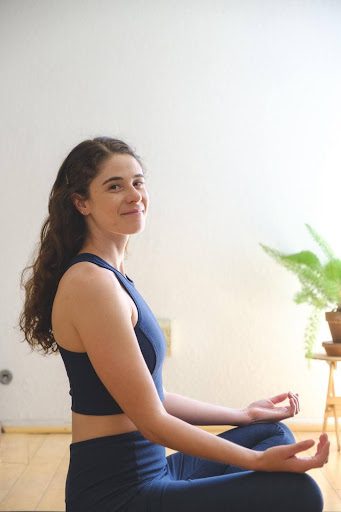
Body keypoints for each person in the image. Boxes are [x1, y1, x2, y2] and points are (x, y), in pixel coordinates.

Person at [19, 137, 329, 512]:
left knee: (270, 431)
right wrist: (256, 462)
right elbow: (152, 421)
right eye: (114, 186)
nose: (134, 195)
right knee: (301, 494)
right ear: (81, 202)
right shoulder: (91, 284)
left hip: (152, 473)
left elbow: (151, 396)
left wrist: (243, 414)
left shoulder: (111, 275)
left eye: (138, 182)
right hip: (117, 495)